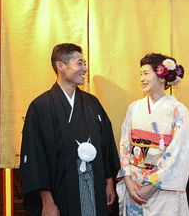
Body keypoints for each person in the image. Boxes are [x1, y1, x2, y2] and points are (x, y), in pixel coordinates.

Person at [20, 43, 120, 216]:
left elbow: (106, 143)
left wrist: (108, 182)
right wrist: (47, 202)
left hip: (93, 187)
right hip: (59, 193)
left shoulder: (92, 103)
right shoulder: (40, 106)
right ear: (60, 66)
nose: (85, 69)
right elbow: (35, 157)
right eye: (79, 63)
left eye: (85, 64)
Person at [116, 53, 189, 215]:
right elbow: (124, 144)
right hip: (134, 185)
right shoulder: (134, 108)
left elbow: (178, 153)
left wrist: (152, 185)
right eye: (140, 74)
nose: (142, 79)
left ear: (162, 77)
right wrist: (128, 179)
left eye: (146, 73)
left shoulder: (178, 111)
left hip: (162, 188)